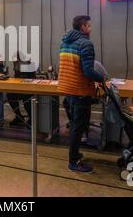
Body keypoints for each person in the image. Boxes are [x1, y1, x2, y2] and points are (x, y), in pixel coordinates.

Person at [58, 15, 105, 174]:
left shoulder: (65, 42)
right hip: (80, 91)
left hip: (68, 89)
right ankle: (73, 161)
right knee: (79, 127)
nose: (90, 29)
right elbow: (88, 71)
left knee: (76, 126)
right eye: (89, 26)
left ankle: (75, 153)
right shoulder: (86, 43)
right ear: (82, 27)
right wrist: (103, 78)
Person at [7, 52, 36, 127]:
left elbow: (32, 77)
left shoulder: (27, 64)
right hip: (19, 87)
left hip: (29, 88)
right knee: (10, 95)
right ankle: (19, 116)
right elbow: (17, 76)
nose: (13, 61)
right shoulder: (17, 64)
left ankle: (32, 118)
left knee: (26, 98)